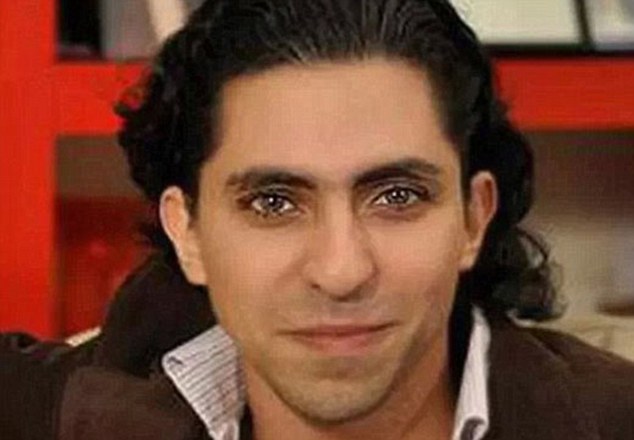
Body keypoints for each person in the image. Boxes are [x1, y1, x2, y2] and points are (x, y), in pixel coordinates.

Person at [2, 0, 634, 439]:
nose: (341, 271)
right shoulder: (60, 413)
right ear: (187, 232)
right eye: (273, 202)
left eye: (397, 196)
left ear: (474, 218)